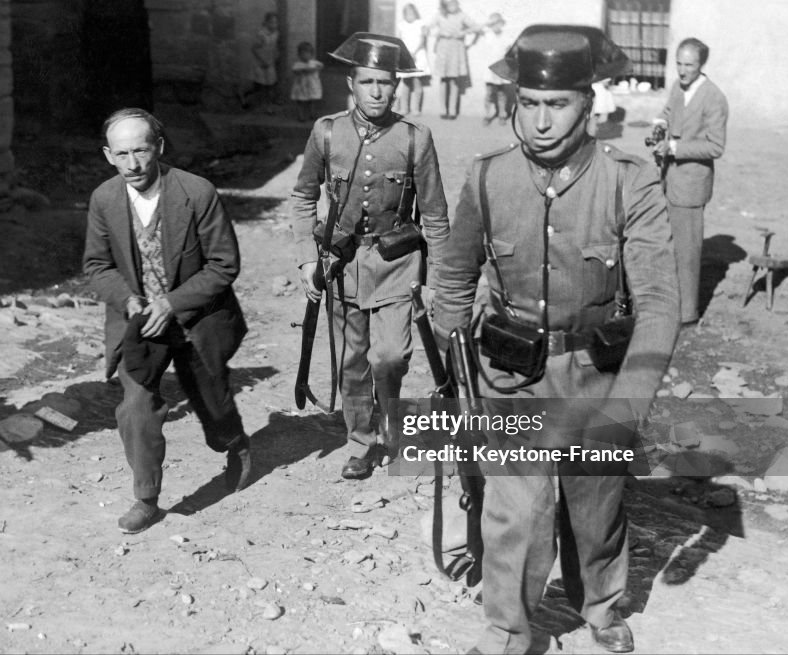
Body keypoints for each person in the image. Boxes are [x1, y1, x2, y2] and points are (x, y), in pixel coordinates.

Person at [433, 25, 680, 654]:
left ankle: (600, 603)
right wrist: (456, 361)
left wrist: (630, 401)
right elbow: (456, 275)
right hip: (510, 375)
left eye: (559, 103)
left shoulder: (629, 180)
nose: (542, 121)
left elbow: (658, 301)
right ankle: (506, 629)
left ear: (587, 103)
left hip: (596, 374)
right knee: (517, 510)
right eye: (529, 103)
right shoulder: (487, 177)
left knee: (594, 504)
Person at [83, 108, 250, 534]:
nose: (132, 164)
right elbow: (97, 266)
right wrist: (131, 301)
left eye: (140, 150)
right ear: (108, 155)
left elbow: (223, 264)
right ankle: (146, 498)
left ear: (159, 147)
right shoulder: (104, 199)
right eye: (121, 154)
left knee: (211, 399)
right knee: (136, 404)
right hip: (141, 323)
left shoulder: (196, 192)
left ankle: (234, 444)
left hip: (198, 318)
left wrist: (172, 304)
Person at [290, 33, 448, 480]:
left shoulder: (415, 138)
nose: (377, 91)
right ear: (351, 84)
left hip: (399, 264)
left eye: (386, 82)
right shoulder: (326, 132)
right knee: (352, 362)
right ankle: (361, 442)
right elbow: (303, 198)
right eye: (368, 82)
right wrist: (307, 256)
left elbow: (435, 215)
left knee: (390, 357)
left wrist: (434, 279)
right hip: (341, 266)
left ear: (397, 86)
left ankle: (392, 427)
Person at [652, 37, 728, 325]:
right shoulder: (677, 87)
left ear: (702, 65)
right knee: (667, 245)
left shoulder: (714, 98)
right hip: (669, 178)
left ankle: (687, 315)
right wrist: (660, 123)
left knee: (687, 251)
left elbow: (716, 147)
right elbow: (669, 112)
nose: (682, 71)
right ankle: (669, 303)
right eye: (679, 64)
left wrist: (674, 148)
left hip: (692, 185)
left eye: (689, 65)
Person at [429, 0, 481, 119]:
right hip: (443, 48)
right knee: (443, 79)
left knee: (454, 80)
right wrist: (438, 33)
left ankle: (452, 111)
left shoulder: (462, 16)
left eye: (454, 3)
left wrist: (463, 33)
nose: (453, 5)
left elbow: (477, 28)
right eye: (449, 3)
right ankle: (443, 110)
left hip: (456, 49)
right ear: (445, 5)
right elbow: (428, 29)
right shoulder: (439, 15)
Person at [470, 12, 514, 126]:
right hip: (489, 69)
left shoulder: (506, 36)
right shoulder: (487, 34)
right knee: (489, 93)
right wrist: (487, 23)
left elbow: (511, 51)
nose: (496, 26)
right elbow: (474, 29)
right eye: (494, 24)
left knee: (501, 93)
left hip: (501, 68)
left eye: (498, 23)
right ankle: (488, 115)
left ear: (502, 24)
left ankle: (502, 115)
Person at [240, 12, 280, 114]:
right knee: (259, 86)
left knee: (270, 85)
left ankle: (269, 107)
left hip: (269, 62)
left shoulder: (276, 33)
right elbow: (254, 49)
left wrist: (275, 55)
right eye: (271, 22)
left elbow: (274, 46)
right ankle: (244, 95)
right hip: (260, 63)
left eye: (276, 22)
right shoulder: (262, 34)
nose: (274, 25)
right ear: (266, 22)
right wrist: (263, 61)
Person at [395, 3, 430, 116]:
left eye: (412, 13)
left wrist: (414, 52)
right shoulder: (401, 25)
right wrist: (406, 53)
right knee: (405, 83)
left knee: (417, 82)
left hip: (418, 55)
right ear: (404, 14)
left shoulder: (420, 24)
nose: (410, 16)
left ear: (416, 13)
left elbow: (423, 40)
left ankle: (416, 109)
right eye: (407, 13)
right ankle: (405, 108)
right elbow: (399, 41)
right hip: (406, 55)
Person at [290, 41, 323, 123]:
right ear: (299, 55)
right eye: (302, 54)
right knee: (301, 102)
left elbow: (321, 66)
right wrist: (304, 70)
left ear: (311, 54)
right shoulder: (298, 64)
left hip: (312, 86)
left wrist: (316, 69)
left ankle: (312, 113)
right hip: (301, 87)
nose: (305, 56)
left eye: (307, 53)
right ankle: (301, 115)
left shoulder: (314, 63)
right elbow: (295, 71)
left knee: (312, 101)